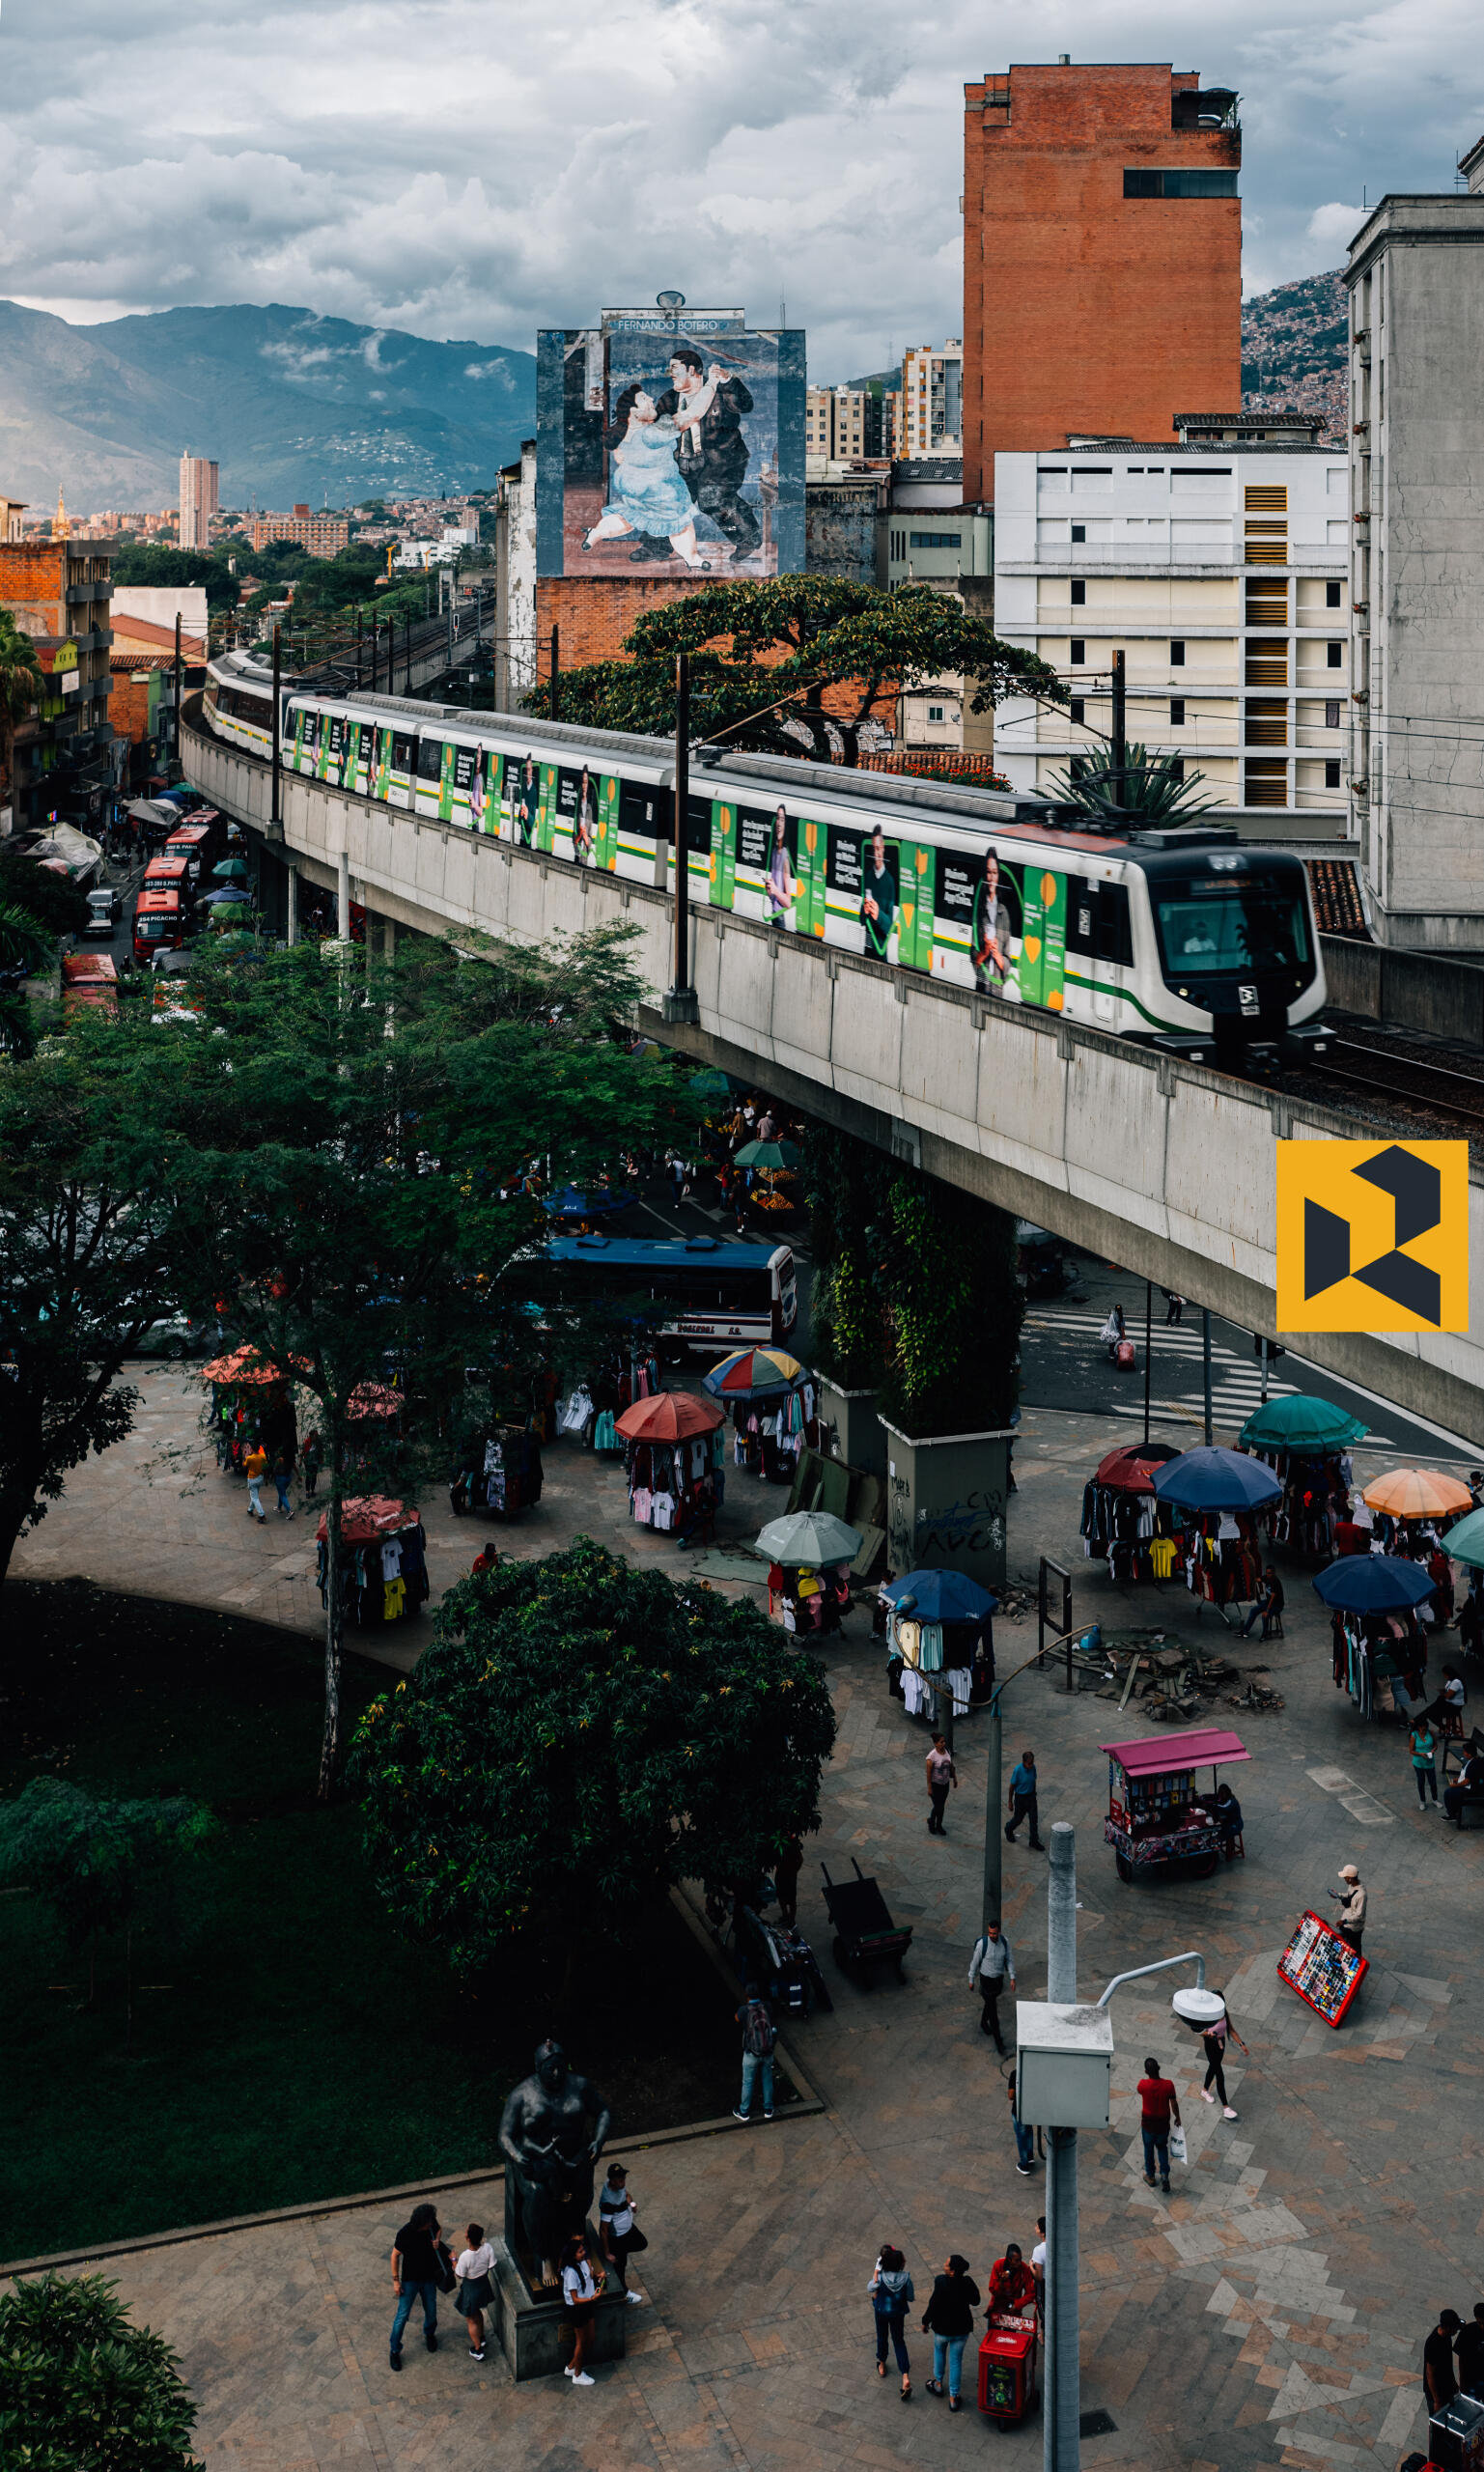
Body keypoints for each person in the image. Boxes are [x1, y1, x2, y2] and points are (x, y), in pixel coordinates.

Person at [580, 381, 716, 569]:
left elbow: (621, 457)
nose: (651, 399)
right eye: (644, 399)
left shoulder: (623, 433)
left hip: (633, 485)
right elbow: (693, 414)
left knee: (630, 517)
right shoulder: (652, 433)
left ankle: (596, 533)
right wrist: (712, 384)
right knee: (679, 521)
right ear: (634, 412)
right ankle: (692, 558)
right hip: (659, 488)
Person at [654, 347, 762, 564]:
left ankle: (748, 539)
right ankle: (654, 547)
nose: (671, 373)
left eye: (675, 368)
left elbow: (746, 405)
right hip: (683, 460)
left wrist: (729, 380)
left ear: (692, 370)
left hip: (721, 459)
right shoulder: (669, 399)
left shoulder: (721, 393)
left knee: (712, 498)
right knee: (668, 499)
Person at [920, 2253, 980, 2411]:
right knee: (955, 2361)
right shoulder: (967, 2282)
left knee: (939, 2353)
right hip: (961, 2329)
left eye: (947, 2264)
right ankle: (954, 2397)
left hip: (942, 2329)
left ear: (952, 2271)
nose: (944, 2266)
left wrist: (925, 2321)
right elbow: (976, 2301)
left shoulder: (941, 2281)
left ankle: (938, 2384)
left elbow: (933, 2304)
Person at [389, 2201, 443, 2371]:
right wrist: (396, 2280)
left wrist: (438, 2239)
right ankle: (394, 2350)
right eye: (429, 2223)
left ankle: (429, 2333)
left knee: (432, 2309)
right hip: (410, 2280)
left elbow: (439, 2229)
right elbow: (394, 2256)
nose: (431, 2225)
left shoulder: (432, 2224)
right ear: (421, 2222)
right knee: (402, 2315)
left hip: (429, 2278)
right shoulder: (405, 2233)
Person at [868, 2242, 914, 2398]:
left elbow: (870, 2288)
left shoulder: (881, 2277)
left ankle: (881, 2363)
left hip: (881, 2311)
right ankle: (905, 2376)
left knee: (882, 2337)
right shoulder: (906, 2278)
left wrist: (876, 2276)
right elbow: (910, 2297)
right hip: (898, 2313)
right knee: (899, 2341)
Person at [598, 2162, 647, 2305]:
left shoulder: (618, 2185)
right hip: (618, 2237)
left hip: (628, 2229)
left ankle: (619, 2256)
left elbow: (626, 2194)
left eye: (623, 2178)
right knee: (620, 2266)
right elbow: (603, 2229)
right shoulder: (608, 2201)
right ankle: (625, 2294)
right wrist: (607, 2252)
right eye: (619, 2179)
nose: (623, 2182)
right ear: (612, 2180)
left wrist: (632, 2204)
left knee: (642, 2243)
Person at [1191, 1994, 1245, 2121]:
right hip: (1210, 2044)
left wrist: (1241, 2044)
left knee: (1213, 2067)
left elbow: (1231, 2030)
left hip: (1221, 2044)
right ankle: (1226, 2107)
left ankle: (1204, 2090)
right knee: (1219, 2074)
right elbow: (1197, 2030)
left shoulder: (1224, 2013)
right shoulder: (1208, 2014)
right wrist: (1208, 2033)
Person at [967, 1920, 1016, 2052]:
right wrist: (971, 1979)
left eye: (994, 1933)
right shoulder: (982, 1944)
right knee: (993, 2012)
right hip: (986, 1980)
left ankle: (983, 2023)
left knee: (990, 2003)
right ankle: (998, 2041)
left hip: (998, 1980)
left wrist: (1012, 1976)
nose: (992, 1936)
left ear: (999, 1932)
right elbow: (974, 1962)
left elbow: (1009, 1959)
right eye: (990, 1933)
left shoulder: (1005, 1942)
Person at [560, 2233, 600, 2385]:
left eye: (583, 2250)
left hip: (588, 2304)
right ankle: (577, 2374)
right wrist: (591, 2299)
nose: (584, 2253)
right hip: (578, 2309)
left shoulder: (583, 2263)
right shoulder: (570, 2273)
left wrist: (598, 2276)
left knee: (590, 2338)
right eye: (580, 2251)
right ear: (573, 2255)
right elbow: (575, 2299)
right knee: (581, 2342)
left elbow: (589, 2276)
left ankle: (571, 2366)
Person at [971, 847, 1013, 993]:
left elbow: (1008, 962)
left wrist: (997, 954)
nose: (991, 878)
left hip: (997, 989)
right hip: (981, 986)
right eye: (988, 872)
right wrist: (985, 951)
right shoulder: (979, 910)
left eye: (994, 873)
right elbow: (974, 959)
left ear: (999, 875)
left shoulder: (1004, 912)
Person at [734, 1982, 776, 2122]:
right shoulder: (768, 2006)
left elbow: (736, 2018)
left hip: (751, 2053)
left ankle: (744, 2111)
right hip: (768, 2051)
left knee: (748, 2082)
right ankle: (768, 2109)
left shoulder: (744, 2010)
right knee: (767, 2080)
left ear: (747, 1996)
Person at [1137, 2056, 1181, 2194]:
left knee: (1148, 2149)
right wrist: (1178, 2117)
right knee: (1162, 2147)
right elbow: (1173, 2103)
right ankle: (1164, 2174)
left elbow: (1139, 2091)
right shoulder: (1168, 2085)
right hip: (1163, 2124)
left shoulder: (1143, 2084)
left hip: (1148, 2124)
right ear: (1159, 2068)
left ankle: (1150, 2176)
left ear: (1146, 2071)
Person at [453, 2221, 495, 2360]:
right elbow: (491, 2265)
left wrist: (454, 2260)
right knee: (478, 2312)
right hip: (482, 2284)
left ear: (468, 2238)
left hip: (470, 2289)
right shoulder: (488, 2248)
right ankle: (481, 2337)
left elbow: (459, 2274)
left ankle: (478, 2349)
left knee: (470, 2319)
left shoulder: (465, 2256)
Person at [860, 827, 897, 963]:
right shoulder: (868, 876)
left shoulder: (889, 882)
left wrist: (877, 914)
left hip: (881, 951)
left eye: (878, 848)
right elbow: (861, 920)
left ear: (883, 848)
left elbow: (889, 926)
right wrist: (864, 912)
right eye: (874, 848)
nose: (876, 853)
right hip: (867, 948)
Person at [1425, 2309, 1463, 2416]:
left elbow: (1447, 2364)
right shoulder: (1433, 2344)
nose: (1456, 2332)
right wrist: (1436, 2400)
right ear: (1448, 2328)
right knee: (1437, 2421)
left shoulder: (1446, 2336)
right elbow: (1430, 2374)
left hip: (1447, 2386)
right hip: (1436, 2391)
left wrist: (1453, 2383)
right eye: (1455, 2329)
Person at [1005, 1748, 1043, 1849]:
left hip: (1031, 1797)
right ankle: (1008, 1829)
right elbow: (1012, 1787)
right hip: (1020, 1798)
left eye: (1032, 1763)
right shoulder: (1017, 1770)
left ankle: (1034, 1841)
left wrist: (1034, 1793)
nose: (1030, 1766)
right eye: (1029, 1764)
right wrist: (1010, 1802)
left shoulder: (1033, 1768)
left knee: (1033, 1819)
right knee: (1018, 1819)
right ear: (1024, 1762)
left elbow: (1033, 1780)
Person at [1330, 1865, 1366, 1955]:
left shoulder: (1361, 1895)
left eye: (1345, 1878)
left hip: (1353, 1928)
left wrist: (1345, 1921)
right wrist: (1338, 1895)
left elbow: (1359, 1915)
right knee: (1343, 1945)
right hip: (1346, 1924)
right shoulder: (1352, 1886)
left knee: (1355, 1950)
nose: (1344, 1879)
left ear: (1350, 1878)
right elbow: (1349, 1896)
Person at [925, 1732, 957, 1836]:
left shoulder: (947, 1751)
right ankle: (932, 1822)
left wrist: (955, 1779)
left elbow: (951, 1766)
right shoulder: (931, 1758)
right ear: (935, 1744)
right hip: (936, 1785)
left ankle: (938, 1825)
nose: (944, 1743)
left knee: (941, 1806)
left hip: (945, 1783)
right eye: (941, 1742)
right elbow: (928, 1774)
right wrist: (929, 1788)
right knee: (938, 1806)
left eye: (944, 1741)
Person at [1444, 1744, 1484, 1825]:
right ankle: (1453, 1811)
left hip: (1471, 1790)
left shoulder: (1473, 1765)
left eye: (1465, 1752)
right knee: (1452, 1791)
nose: (1463, 1753)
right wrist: (1458, 1779)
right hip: (1472, 1785)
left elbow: (1466, 1782)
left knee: (1448, 1792)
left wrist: (1454, 1785)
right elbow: (1467, 1776)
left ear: (1469, 1754)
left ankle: (1452, 1815)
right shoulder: (1474, 1760)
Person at [1007, 2070, 1037, 2177]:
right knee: (1028, 2132)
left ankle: (1024, 2165)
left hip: (1019, 2110)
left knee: (1021, 2137)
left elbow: (1010, 2095)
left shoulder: (1016, 2073)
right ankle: (1030, 2157)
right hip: (1030, 2110)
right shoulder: (1035, 2073)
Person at [766, 805, 794, 921]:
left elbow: (788, 903)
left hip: (780, 917)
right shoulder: (774, 852)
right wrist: (769, 890)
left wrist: (775, 890)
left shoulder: (785, 856)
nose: (779, 823)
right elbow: (774, 895)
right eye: (777, 818)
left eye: (782, 819)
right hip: (774, 913)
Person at [1241, 1566, 1283, 1640]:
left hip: (1277, 1605)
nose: (1268, 1574)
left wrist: (1267, 1610)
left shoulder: (1275, 1582)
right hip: (1268, 1602)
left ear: (1274, 1573)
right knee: (1253, 1610)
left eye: (1269, 1573)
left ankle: (1265, 1634)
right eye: (1267, 1573)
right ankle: (1245, 1631)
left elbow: (1272, 1598)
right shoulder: (1267, 1577)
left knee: (1264, 1615)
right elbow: (1258, 1579)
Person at [1454, 2300, 1484, 2398]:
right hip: (1471, 2381)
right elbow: (1462, 2359)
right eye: (1480, 2323)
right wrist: (1462, 2382)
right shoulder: (1468, 2332)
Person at [1409, 1715, 1439, 1808]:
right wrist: (1420, 1754)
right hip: (1419, 1763)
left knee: (1433, 1782)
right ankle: (1422, 1801)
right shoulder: (1414, 1735)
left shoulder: (1431, 1733)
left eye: (1426, 1729)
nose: (1425, 1731)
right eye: (1423, 1730)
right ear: (1419, 1728)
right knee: (1421, 1782)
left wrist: (1433, 1750)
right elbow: (1411, 1751)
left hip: (1430, 1762)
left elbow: (1435, 1745)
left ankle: (1435, 1800)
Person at [773, 1836, 802, 1928]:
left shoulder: (793, 1844)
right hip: (781, 1875)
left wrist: (794, 1871)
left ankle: (791, 1920)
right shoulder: (779, 1844)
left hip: (789, 1876)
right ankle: (785, 1915)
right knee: (781, 1897)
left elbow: (800, 1859)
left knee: (791, 1900)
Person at [1214, 1780, 1245, 1859]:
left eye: (1222, 1794)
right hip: (1229, 1822)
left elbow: (1225, 1809)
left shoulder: (1232, 1801)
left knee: (1227, 1832)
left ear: (1226, 1793)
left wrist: (1214, 1805)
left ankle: (1229, 1854)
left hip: (1236, 1824)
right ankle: (1230, 1848)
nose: (1220, 1796)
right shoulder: (1223, 1800)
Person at [243, 1439, 268, 1525]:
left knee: (255, 1498)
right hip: (260, 1478)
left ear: (252, 1449)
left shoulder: (250, 1458)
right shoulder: (263, 1456)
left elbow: (245, 1465)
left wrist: (245, 1455)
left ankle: (261, 1515)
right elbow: (265, 1466)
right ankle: (250, 1509)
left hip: (252, 1479)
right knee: (255, 1495)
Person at [270, 1447, 294, 1520]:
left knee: (282, 1494)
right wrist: (299, 1476)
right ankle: (279, 1507)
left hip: (280, 1479)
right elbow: (294, 1467)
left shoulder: (279, 1460)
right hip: (288, 1478)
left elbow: (274, 1470)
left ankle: (289, 1511)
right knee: (282, 1493)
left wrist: (271, 1477)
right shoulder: (291, 1459)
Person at [1030, 2218, 1047, 2330]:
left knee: (1043, 2310)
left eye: (1037, 2227)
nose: (1035, 2228)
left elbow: (1039, 2276)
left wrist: (1031, 2266)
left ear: (1043, 2233)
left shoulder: (1039, 2250)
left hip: (1044, 2285)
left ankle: (1045, 2336)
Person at [301, 1430, 322, 1497]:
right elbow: (303, 1451)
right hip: (308, 1462)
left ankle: (312, 1490)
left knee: (314, 1476)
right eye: (315, 1435)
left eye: (317, 1435)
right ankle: (307, 1491)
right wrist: (300, 1461)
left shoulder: (317, 1442)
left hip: (315, 1462)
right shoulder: (307, 1441)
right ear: (311, 1435)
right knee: (309, 1476)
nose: (317, 1436)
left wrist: (321, 1459)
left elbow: (320, 1451)